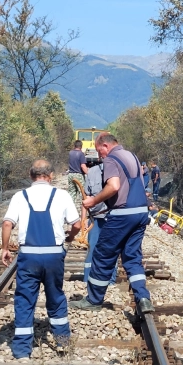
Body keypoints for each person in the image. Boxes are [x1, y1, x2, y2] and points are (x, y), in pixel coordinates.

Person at [1, 160, 81, 359]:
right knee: (56, 297)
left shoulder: (20, 196)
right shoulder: (61, 195)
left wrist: (5, 248)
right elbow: (77, 224)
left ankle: (21, 351)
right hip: (54, 255)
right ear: (51, 175)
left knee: (25, 300)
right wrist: (69, 238)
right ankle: (62, 343)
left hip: (29, 256)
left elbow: (7, 224)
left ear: (31, 175)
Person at [70, 132, 154, 314]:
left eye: (99, 151)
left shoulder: (111, 159)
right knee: (132, 257)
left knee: (103, 254)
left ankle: (93, 300)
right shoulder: (132, 156)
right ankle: (144, 298)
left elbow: (114, 186)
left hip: (123, 214)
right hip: (140, 213)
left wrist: (93, 201)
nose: (100, 155)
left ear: (105, 146)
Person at [80, 161, 117, 284]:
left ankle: (110, 281)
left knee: (111, 249)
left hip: (112, 217)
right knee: (92, 249)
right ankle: (87, 279)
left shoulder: (118, 169)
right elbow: (85, 199)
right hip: (94, 218)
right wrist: (83, 220)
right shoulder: (93, 172)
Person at [68, 140, 87, 208]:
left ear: (74, 146)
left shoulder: (70, 153)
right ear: (81, 146)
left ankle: (70, 209)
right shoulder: (81, 154)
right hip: (78, 175)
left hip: (70, 175)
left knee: (72, 193)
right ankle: (84, 210)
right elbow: (83, 166)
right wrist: (88, 173)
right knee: (83, 193)